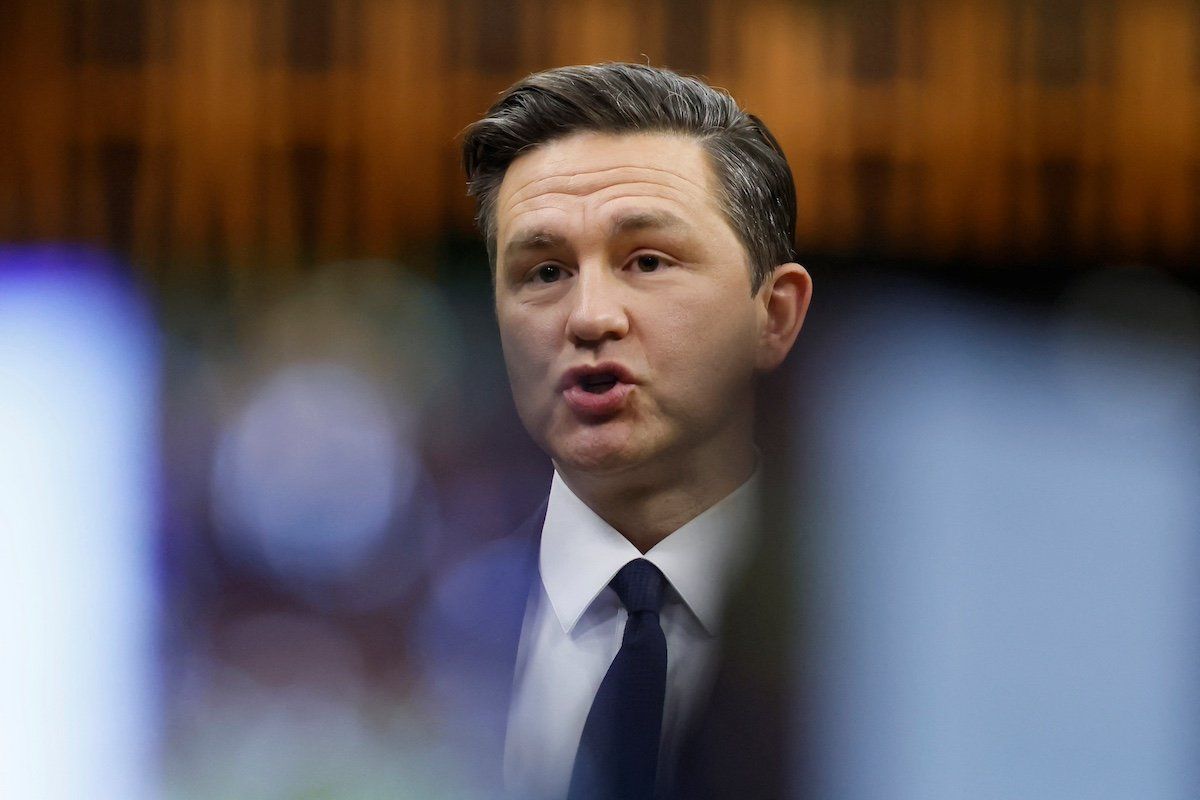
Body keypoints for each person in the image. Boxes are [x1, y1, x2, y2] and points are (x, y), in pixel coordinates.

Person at [416, 63, 812, 800]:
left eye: (648, 260)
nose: (590, 315)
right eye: (542, 272)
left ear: (776, 313)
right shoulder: (429, 626)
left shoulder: (891, 625)